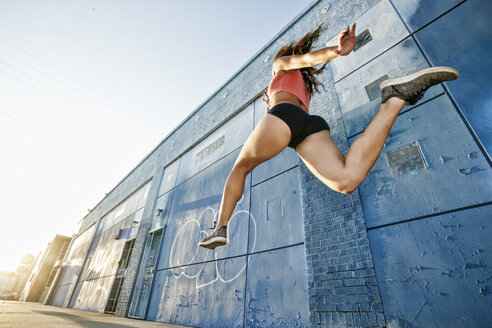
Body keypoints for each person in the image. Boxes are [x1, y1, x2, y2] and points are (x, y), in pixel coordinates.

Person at [198, 23, 459, 250]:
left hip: (283, 119)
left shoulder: (280, 66)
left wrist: (336, 51)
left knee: (241, 167)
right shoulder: (302, 84)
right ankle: (395, 98)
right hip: (309, 126)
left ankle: (220, 227)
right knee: (346, 180)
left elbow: (305, 60)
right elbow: (306, 67)